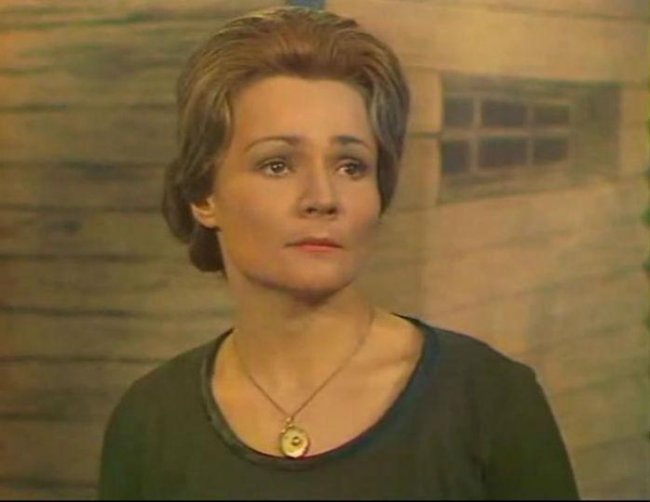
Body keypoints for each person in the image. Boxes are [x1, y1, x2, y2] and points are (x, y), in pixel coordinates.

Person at [98, 5, 579, 500]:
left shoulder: (489, 400)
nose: (323, 198)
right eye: (278, 165)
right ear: (204, 196)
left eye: (351, 166)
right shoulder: (151, 421)